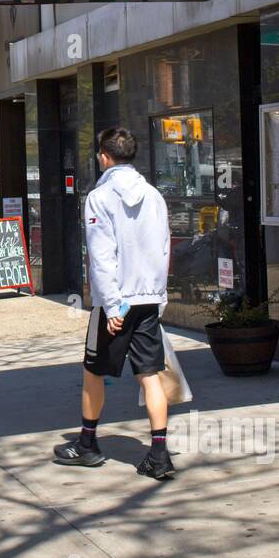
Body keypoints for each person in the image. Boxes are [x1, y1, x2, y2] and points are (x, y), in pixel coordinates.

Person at [53, 127, 174, 480]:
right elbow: (163, 248)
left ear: (104, 157)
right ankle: (159, 454)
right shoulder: (154, 196)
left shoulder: (99, 196)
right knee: (150, 375)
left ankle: (88, 443)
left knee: (93, 371)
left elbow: (101, 255)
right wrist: (159, 297)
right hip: (149, 297)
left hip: (116, 300)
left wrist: (111, 305)